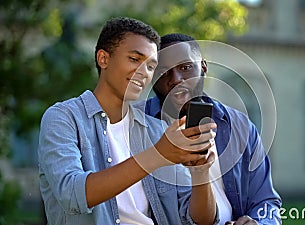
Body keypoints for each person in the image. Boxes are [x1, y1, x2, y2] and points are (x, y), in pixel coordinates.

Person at [38, 18, 218, 225]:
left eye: (151, 66)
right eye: (134, 59)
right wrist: (158, 155)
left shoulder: (157, 130)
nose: (144, 72)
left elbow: (197, 219)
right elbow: (71, 194)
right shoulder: (63, 118)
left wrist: (201, 172)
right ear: (103, 59)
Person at [136, 33, 282, 225]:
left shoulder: (241, 127)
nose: (176, 79)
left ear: (203, 67)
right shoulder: (134, 124)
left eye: (186, 67)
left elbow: (267, 202)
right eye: (163, 71)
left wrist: (258, 223)